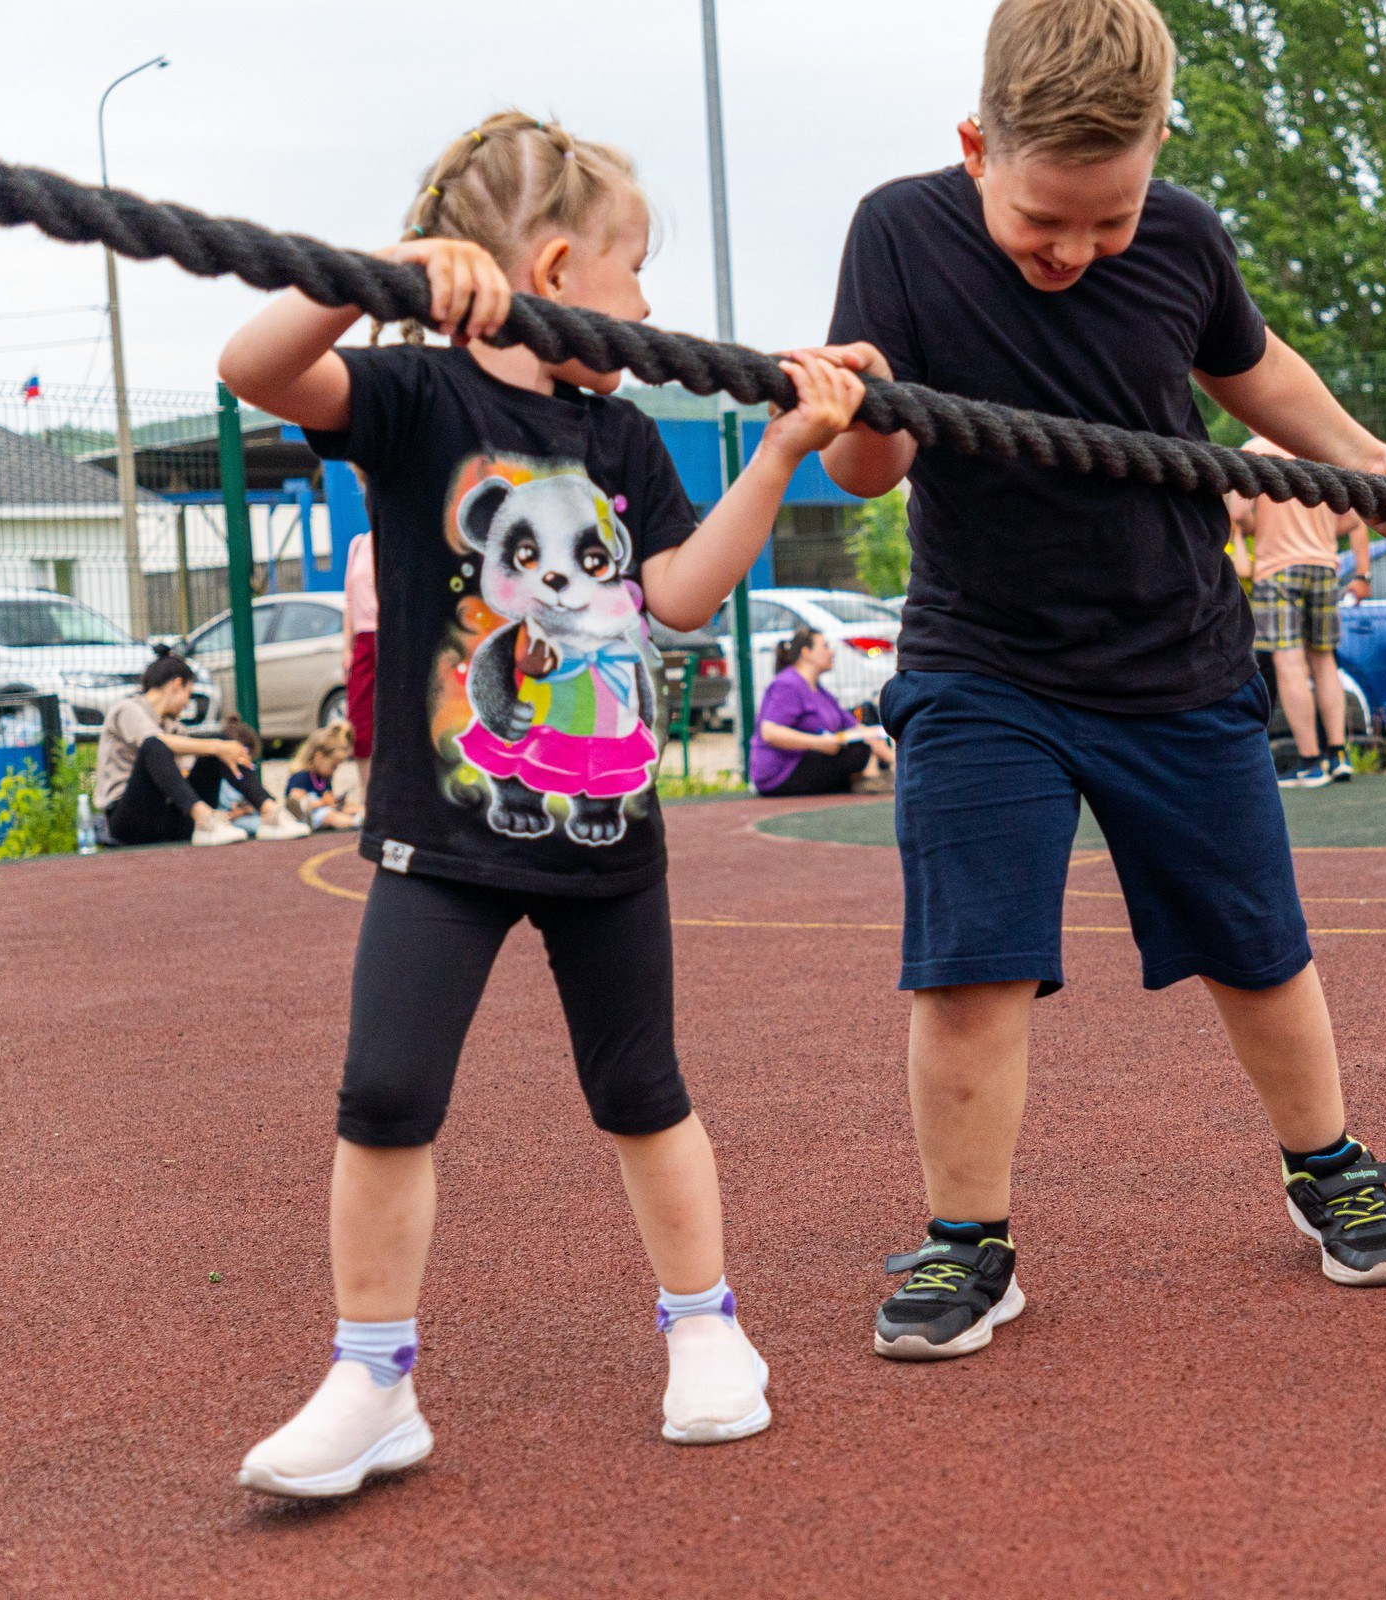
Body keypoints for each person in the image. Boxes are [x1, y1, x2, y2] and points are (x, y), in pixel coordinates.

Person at [216, 110, 869, 1495]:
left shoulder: (622, 435)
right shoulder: (419, 401)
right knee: (386, 1091)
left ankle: (707, 1331)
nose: (648, 314)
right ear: (564, 263)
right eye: (636, 280)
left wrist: (778, 455)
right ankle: (372, 1376)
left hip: (606, 832)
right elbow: (254, 367)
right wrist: (390, 272)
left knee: (640, 1090)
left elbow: (680, 598)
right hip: (439, 838)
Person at [812, 0, 1386, 1361]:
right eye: (1047, 219)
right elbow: (863, 466)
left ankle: (1326, 1160)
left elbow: (1255, 370)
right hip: (984, 661)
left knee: (1255, 943)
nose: (1078, 249)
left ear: (1158, 150)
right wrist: (856, 417)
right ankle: (966, 1240)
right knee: (971, 968)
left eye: (1111, 216)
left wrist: (1363, 454)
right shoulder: (900, 234)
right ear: (977, 145)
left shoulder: (1184, 237)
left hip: (1174, 654)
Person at [1226, 435, 1369, 788]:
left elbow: (1238, 514)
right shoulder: (1319, 449)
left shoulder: (1257, 450)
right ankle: (1338, 755)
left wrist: (1249, 540)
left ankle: (1311, 763)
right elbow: (1352, 520)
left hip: (1277, 569)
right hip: (1323, 566)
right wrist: (1363, 574)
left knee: (1289, 663)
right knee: (1324, 661)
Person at [94, 655, 310, 847]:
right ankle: (205, 820)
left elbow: (186, 772)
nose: (187, 702)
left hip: (168, 818)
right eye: (189, 693)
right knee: (157, 745)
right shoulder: (127, 709)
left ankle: (271, 814)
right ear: (178, 684)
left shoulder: (175, 727)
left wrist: (220, 748)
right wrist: (216, 747)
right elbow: (154, 742)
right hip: (129, 820)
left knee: (220, 743)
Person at [750, 626, 892, 796]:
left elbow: (857, 728)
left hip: (809, 762)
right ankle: (866, 778)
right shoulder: (787, 685)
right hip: (781, 773)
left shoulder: (820, 691)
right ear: (806, 653)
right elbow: (769, 732)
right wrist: (819, 743)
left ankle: (875, 777)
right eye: (824, 646)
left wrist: (895, 760)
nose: (831, 652)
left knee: (867, 733)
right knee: (858, 751)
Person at [341, 522, 378, 780]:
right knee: (361, 722)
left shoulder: (396, 542)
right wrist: (347, 648)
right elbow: (349, 602)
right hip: (362, 641)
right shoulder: (358, 544)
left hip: (390, 636)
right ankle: (366, 796)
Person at [288, 722, 367, 831]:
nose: (335, 770)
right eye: (333, 766)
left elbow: (330, 801)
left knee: (349, 807)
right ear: (319, 758)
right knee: (330, 816)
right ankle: (356, 822)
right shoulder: (301, 777)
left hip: (325, 811)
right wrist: (323, 802)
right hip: (310, 817)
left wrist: (336, 802)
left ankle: (367, 815)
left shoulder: (324, 779)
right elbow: (296, 804)